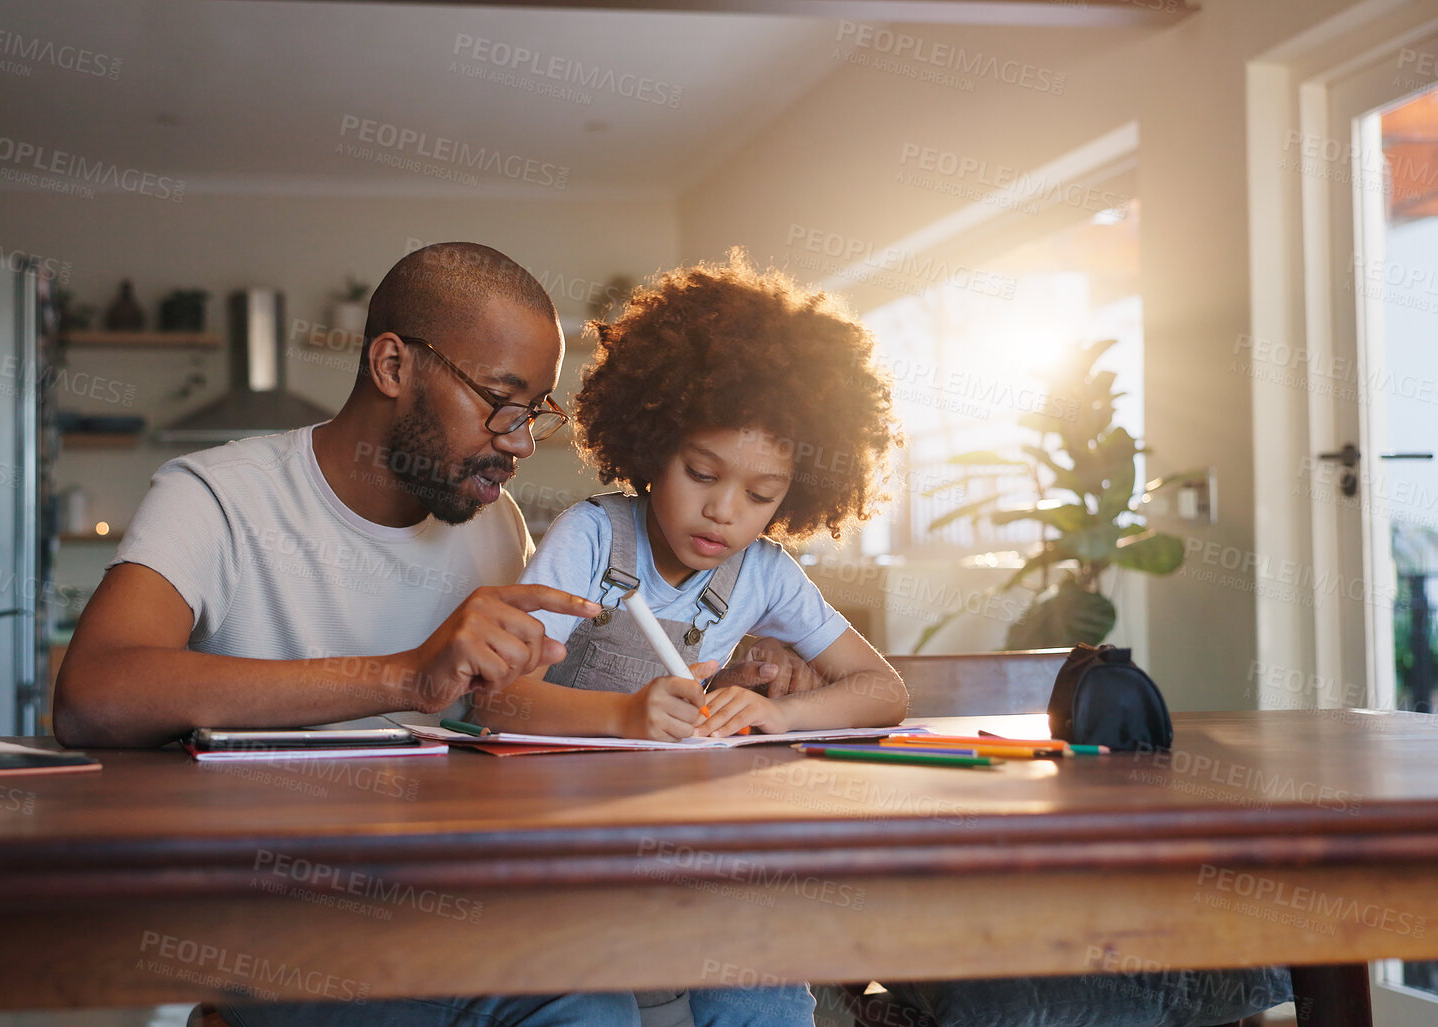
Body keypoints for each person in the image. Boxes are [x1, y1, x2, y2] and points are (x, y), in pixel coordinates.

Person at [56, 241, 722, 1027]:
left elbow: (514, 711)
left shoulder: (492, 524)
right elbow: (93, 694)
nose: (520, 441)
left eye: (537, 410)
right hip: (263, 918)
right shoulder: (215, 497)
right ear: (392, 365)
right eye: (500, 400)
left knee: (607, 999)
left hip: (450, 903)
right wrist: (406, 676)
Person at [473, 253, 907, 1027]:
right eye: (701, 472)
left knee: (766, 966)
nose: (723, 513)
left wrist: (780, 715)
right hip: (561, 838)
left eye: (760, 494)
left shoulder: (766, 573)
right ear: (650, 445)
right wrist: (621, 717)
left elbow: (882, 691)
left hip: (689, 835)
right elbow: (497, 699)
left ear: (793, 495)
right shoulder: (592, 537)